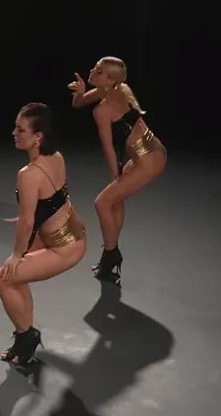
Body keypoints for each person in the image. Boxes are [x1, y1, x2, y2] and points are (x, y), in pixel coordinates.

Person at [0, 103, 87, 367]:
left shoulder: (28, 174)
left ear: (38, 137)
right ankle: (26, 334)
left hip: (63, 246)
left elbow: (27, 221)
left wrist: (17, 254)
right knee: (17, 278)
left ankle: (26, 336)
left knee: (3, 279)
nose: (14, 133)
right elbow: (53, 199)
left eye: (20, 130)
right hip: (75, 232)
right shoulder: (56, 156)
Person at [68, 56, 166, 281]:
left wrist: (116, 177)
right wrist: (81, 92)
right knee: (113, 200)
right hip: (151, 152)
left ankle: (111, 254)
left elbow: (108, 147)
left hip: (149, 159)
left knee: (102, 202)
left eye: (99, 71)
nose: (92, 71)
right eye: (95, 67)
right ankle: (110, 254)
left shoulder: (103, 109)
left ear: (110, 79)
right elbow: (78, 103)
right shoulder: (113, 89)